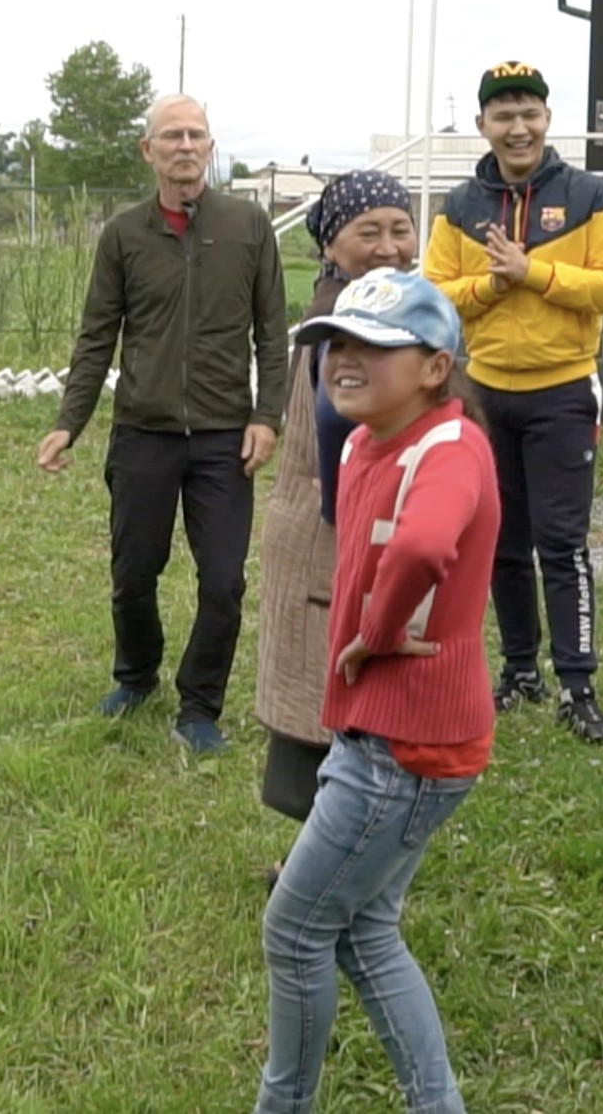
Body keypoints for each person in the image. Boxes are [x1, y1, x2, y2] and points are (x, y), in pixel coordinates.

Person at [255, 268, 498, 1114]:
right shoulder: (363, 440)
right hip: (379, 736)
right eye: (335, 345)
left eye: (375, 347)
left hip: (407, 748)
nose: (345, 361)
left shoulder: (450, 447)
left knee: (294, 931)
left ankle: (282, 1105)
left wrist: (379, 632)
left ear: (436, 368)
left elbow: (428, 542)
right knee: (363, 931)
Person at [37, 94, 289, 754]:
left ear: (210, 147)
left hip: (222, 436)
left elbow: (272, 334)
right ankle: (136, 675)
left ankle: (200, 704)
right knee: (134, 572)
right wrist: (70, 422)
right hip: (143, 433)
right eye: (171, 136)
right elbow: (98, 336)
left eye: (196, 135)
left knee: (224, 580)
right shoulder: (124, 234)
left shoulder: (248, 226)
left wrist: (268, 417)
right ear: (148, 151)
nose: (185, 146)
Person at [423, 60, 603, 744]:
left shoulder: (591, 195)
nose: (518, 128)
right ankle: (520, 671)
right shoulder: (459, 206)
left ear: (548, 120)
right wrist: (491, 286)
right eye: (503, 116)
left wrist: (533, 272)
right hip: (486, 393)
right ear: (483, 125)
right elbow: (435, 295)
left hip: (564, 391)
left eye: (530, 114)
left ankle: (578, 686)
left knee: (562, 543)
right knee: (500, 543)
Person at [255, 170, 417, 842]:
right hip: (333, 533)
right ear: (331, 242)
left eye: (400, 228)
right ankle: (318, 876)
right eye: (367, 231)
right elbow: (338, 435)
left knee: (330, 708)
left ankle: (319, 865)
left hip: (332, 529)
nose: (388, 246)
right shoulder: (352, 318)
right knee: (331, 718)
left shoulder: (370, 303)